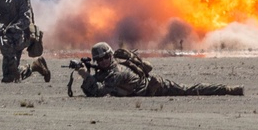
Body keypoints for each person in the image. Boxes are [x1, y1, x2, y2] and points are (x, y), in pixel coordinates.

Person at [73, 42, 244, 97]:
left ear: (110, 56)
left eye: (105, 58)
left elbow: (100, 92)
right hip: (142, 88)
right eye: (99, 60)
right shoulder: (106, 71)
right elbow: (92, 89)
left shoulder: (117, 72)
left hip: (153, 87)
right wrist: (88, 74)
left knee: (189, 91)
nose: (102, 62)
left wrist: (84, 74)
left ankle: (227, 89)